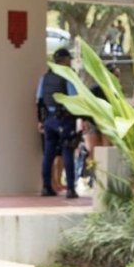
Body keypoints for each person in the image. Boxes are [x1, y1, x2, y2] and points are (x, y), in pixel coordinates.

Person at [36, 47, 79, 198]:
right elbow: (74, 98)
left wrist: (40, 120)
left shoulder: (45, 77)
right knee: (67, 151)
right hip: (65, 119)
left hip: (48, 119)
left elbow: (39, 100)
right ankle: (71, 189)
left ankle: (46, 187)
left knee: (48, 154)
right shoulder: (67, 76)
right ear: (66, 60)